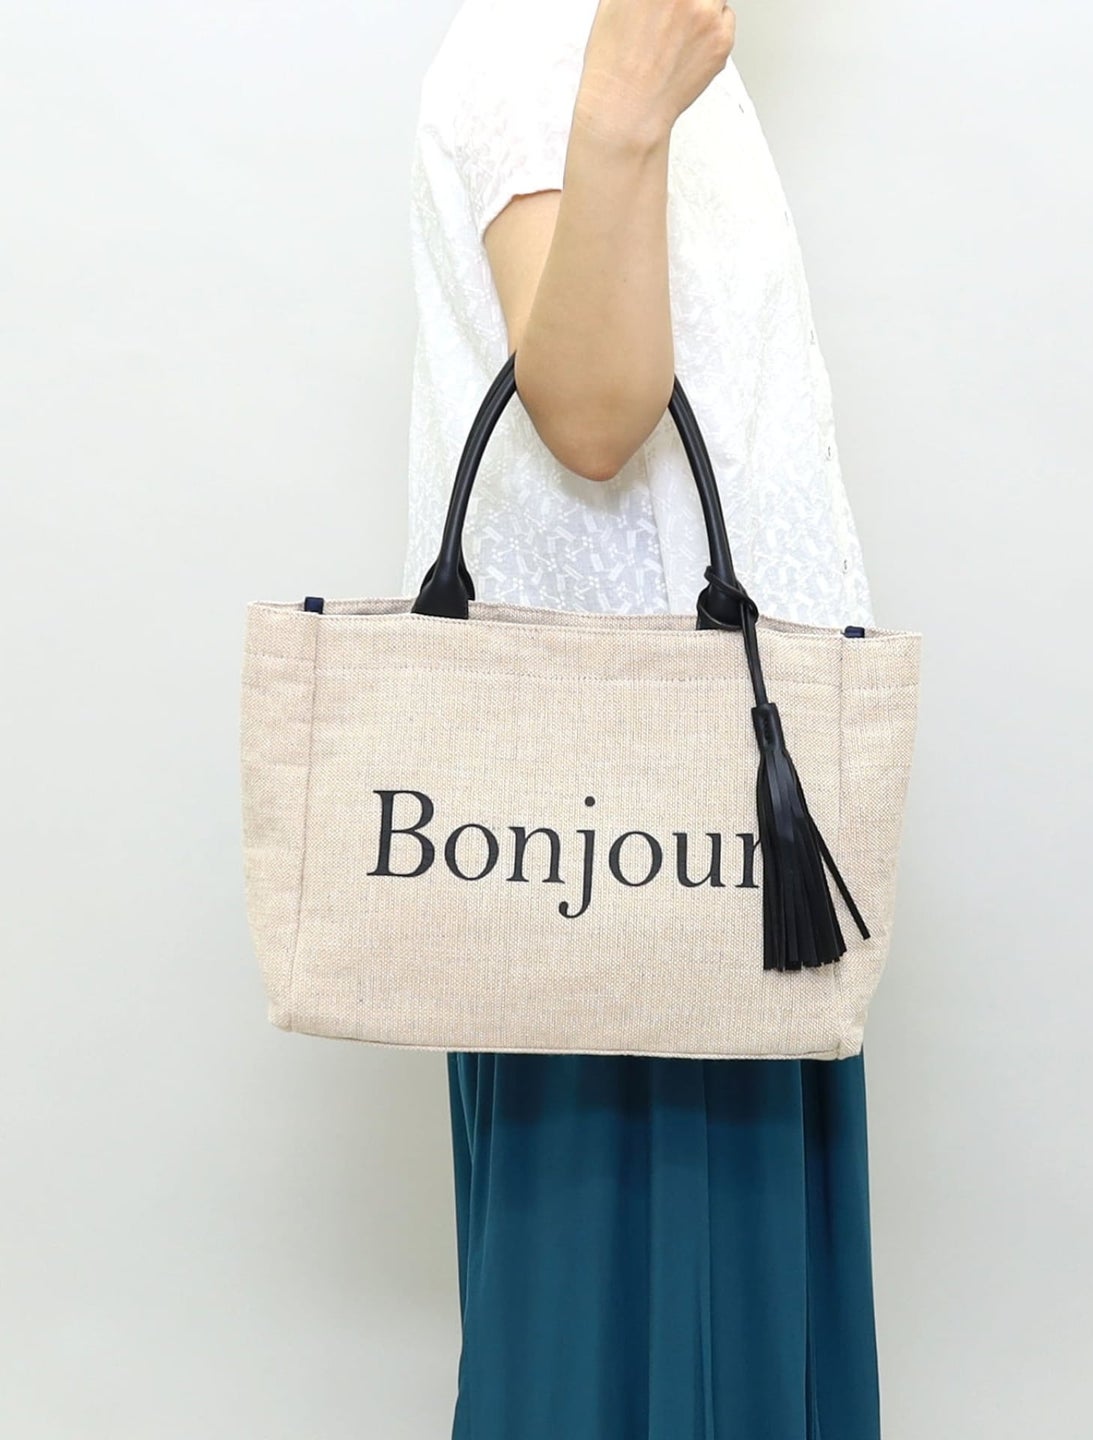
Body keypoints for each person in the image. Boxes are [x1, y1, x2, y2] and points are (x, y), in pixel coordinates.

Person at [402, 1, 882, 1435]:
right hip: (616, 839)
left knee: (701, 1333)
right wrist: (619, 108)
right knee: (638, 1339)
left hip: (718, 825)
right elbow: (597, 417)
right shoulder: (557, 46)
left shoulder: (662, 53)